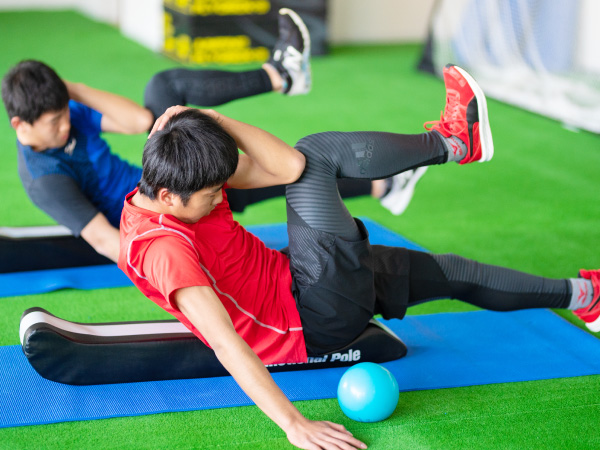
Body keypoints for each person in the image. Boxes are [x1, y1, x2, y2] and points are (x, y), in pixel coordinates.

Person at [118, 62, 599, 449]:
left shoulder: (183, 172)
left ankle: (586, 297)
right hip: (311, 315)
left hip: (305, 277)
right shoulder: (162, 249)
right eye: (211, 196)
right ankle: (455, 142)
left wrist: (212, 120)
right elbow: (226, 343)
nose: (218, 199)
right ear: (168, 197)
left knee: (453, 273)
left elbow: (286, 167)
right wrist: (293, 424)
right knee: (320, 155)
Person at [0, 9, 424, 265]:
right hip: (158, 210)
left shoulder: (67, 116)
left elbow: (136, 121)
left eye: (64, 113)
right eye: (52, 122)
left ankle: (383, 184)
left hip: (161, 180)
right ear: (20, 125)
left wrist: (68, 88)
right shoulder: (46, 179)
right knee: (174, 97)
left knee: (282, 172)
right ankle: (283, 75)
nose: (64, 126)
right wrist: (172, 264)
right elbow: (106, 240)